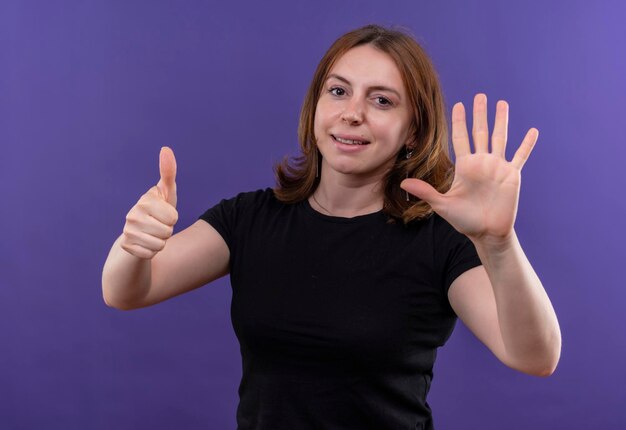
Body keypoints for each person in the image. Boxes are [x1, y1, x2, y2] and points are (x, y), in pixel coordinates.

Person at [102, 24, 561, 430]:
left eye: (381, 100)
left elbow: (534, 357)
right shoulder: (250, 218)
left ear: (414, 133)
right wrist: (133, 244)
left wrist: (498, 244)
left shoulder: (438, 240)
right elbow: (126, 291)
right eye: (338, 91)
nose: (352, 113)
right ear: (316, 105)